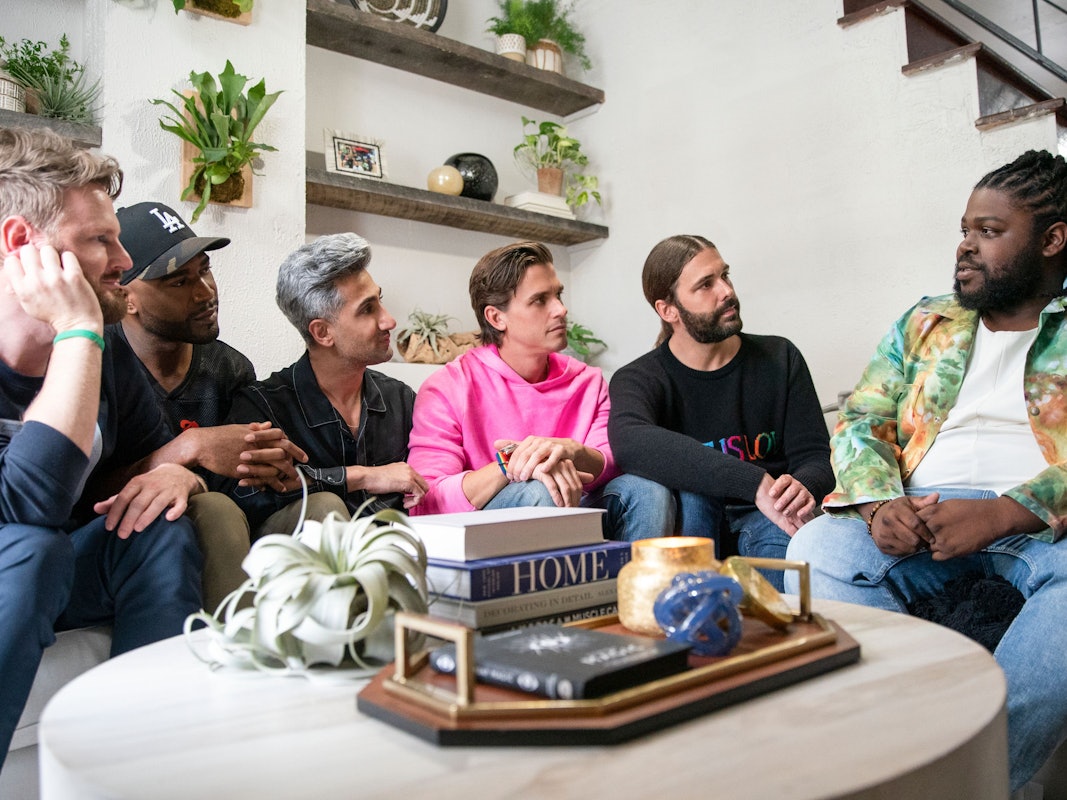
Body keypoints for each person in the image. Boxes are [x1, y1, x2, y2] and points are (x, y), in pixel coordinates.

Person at [785, 149, 1067, 791]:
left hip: (1042, 523)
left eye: (989, 232)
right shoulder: (925, 321)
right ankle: (894, 746)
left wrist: (1005, 513)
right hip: (919, 510)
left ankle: (971, 780)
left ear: (1052, 240)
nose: (966, 246)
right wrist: (878, 502)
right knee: (816, 549)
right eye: (965, 230)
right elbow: (862, 418)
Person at [0, 127, 203, 765]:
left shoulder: (106, 351)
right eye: (99, 240)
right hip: (16, 565)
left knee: (156, 526)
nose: (124, 260)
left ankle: (147, 766)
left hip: (53, 569)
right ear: (20, 242)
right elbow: (26, 507)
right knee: (33, 550)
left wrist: (178, 474)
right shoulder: (88, 335)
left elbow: (149, 456)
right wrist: (76, 327)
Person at [608, 234, 833, 591]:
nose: (726, 291)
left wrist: (804, 486)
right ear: (668, 310)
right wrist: (753, 483)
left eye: (725, 276)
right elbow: (630, 441)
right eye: (706, 285)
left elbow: (815, 455)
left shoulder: (780, 357)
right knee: (694, 501)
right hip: (694, 522)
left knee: (787, 591)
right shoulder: (638, 378)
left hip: (771, 515)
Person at [111, 201, 302, 609]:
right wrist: (189, 449)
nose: (205, 292)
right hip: (133, 538)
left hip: (227, 527)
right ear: (126, 298)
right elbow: (77, 491)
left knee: (322, 506)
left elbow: (245, 492)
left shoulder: (229, 368)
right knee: (212, 509)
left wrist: (273, 468)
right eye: (179, 281)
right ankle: (230, 643)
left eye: (205, 269)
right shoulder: (96, 361)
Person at [406, 240, 665, 541]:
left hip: (578, 507)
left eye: (558, 295)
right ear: (496, 317)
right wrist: (513, 463)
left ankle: (630, 574)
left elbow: (612, 461)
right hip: (485, 532)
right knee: (540, 492)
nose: (561, 309)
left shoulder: (588, 381)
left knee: (649, 492)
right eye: (540, 300)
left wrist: (571, 450)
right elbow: (426, 499)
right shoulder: (448, 387)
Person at [226, 232, 427, 538]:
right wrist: (360, 477)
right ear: (322, 333)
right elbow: (250, 500)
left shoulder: (400, 399)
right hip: (306, 565)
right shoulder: (263, 408)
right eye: (367, 309)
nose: (388, 321)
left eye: (380, 300)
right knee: (324, 507)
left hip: (402, 558)